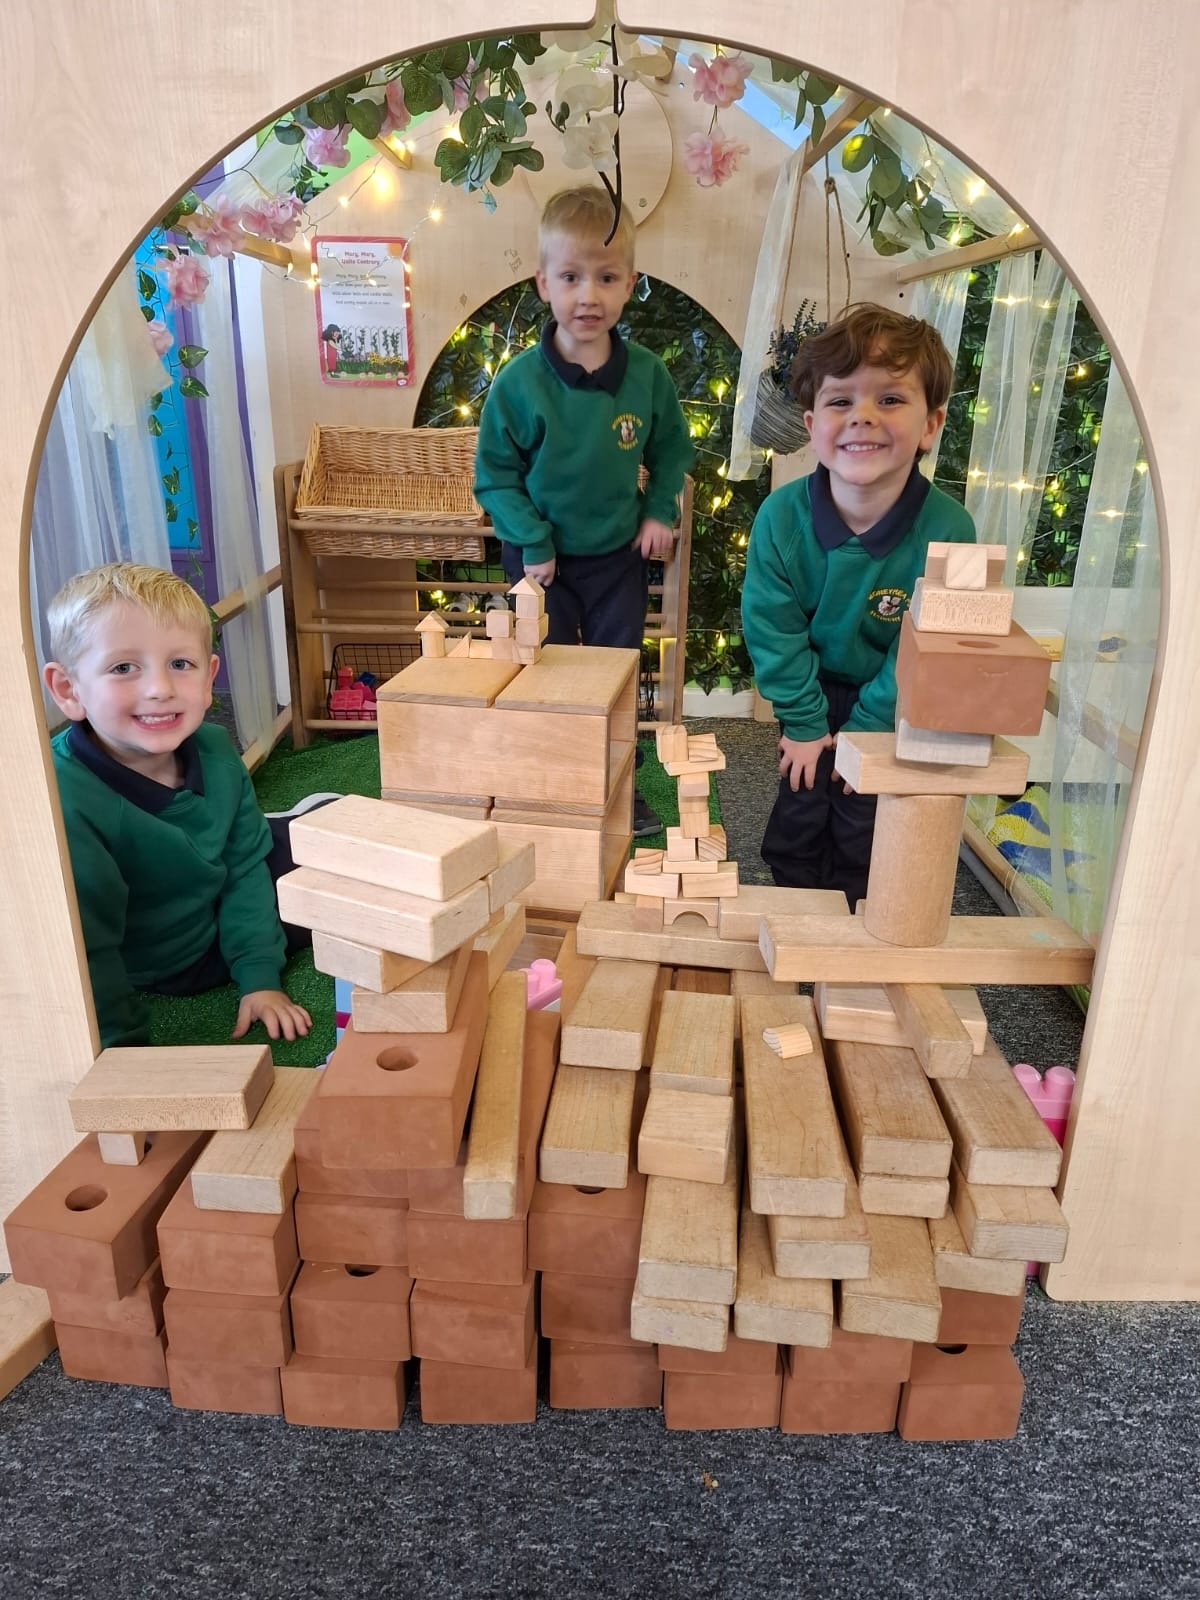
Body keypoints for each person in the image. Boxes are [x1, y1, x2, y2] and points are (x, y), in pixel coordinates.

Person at [473, 185, 694, 836]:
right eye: (571, 277)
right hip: (537, 564)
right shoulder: (519, 383)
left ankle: (619, 787)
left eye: (606, 277)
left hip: (616, 559)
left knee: (614, 675)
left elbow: (673, 450)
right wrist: (533, 539)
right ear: (544, 284)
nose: (588, 296)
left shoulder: (647, 375)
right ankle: (544, 785)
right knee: (539, 671)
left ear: (630, 283)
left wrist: (659, 512)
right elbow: (494, 477)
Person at [742, 302, 976, 909]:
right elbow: (773, 629)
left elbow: (926, 648)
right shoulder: (781, 517)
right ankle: (797, 910)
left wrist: (870, 728)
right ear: (811, 422)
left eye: (890, 399)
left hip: (895, 696)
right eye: (841, 401)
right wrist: (804, 722)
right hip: (810, 687)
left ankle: (857, 919)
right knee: (800, 806)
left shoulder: (950, 530)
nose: (862, 416)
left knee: (863, 820)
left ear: (931, 425)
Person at [43, 562, 316, 1049]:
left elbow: (244, 867)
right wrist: (124, 1054)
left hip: (218, 898)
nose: (159, 689)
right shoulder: (66, 799)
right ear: (69, 690)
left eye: (180, 664)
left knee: (336, 860)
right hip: (176, 961)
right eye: (123, 668)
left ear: (209, 677)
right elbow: (87, 948)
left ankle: (298, 822)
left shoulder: (213, 747)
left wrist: (259, 976)